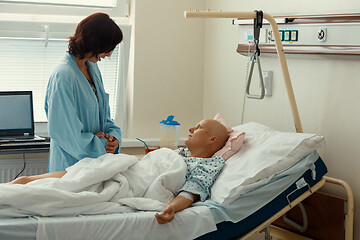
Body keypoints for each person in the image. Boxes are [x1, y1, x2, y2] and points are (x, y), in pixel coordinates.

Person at [5, 118, 229, 224]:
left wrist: (171, 208)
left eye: (199, 127)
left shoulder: (207, 165)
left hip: (123, 185)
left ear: (212, 139)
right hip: (115, 169)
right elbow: (145, 164)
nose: (191, 128)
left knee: (44, 192)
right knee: (25, 179)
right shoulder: (177, 153)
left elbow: (191, 192)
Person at [45, 12, 123, 172]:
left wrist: (114, 137)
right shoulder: (63, 75)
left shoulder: (92, 68)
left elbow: (104, 115)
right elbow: (67, 135)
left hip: (95, 165)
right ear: (95, 43)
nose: (108, 55)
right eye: (108, 48)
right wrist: (103, 145)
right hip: (70, 165)